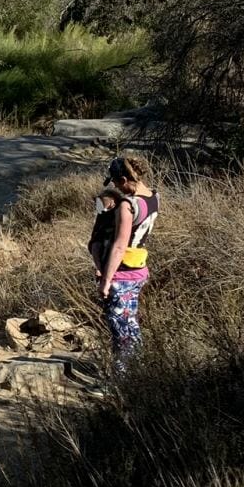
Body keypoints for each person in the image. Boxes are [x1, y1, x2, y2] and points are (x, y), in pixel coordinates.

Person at [88, 154, 158, 370]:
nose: (117, 188)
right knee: (130, 325)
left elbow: (120, 246)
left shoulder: (127, 205)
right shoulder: (154, 197)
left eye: (117, 182)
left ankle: (121, 379)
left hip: (122, 273)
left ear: (123, 179)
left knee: (121, 329)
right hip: (138, 269)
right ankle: (138, 372)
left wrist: (106, 280)